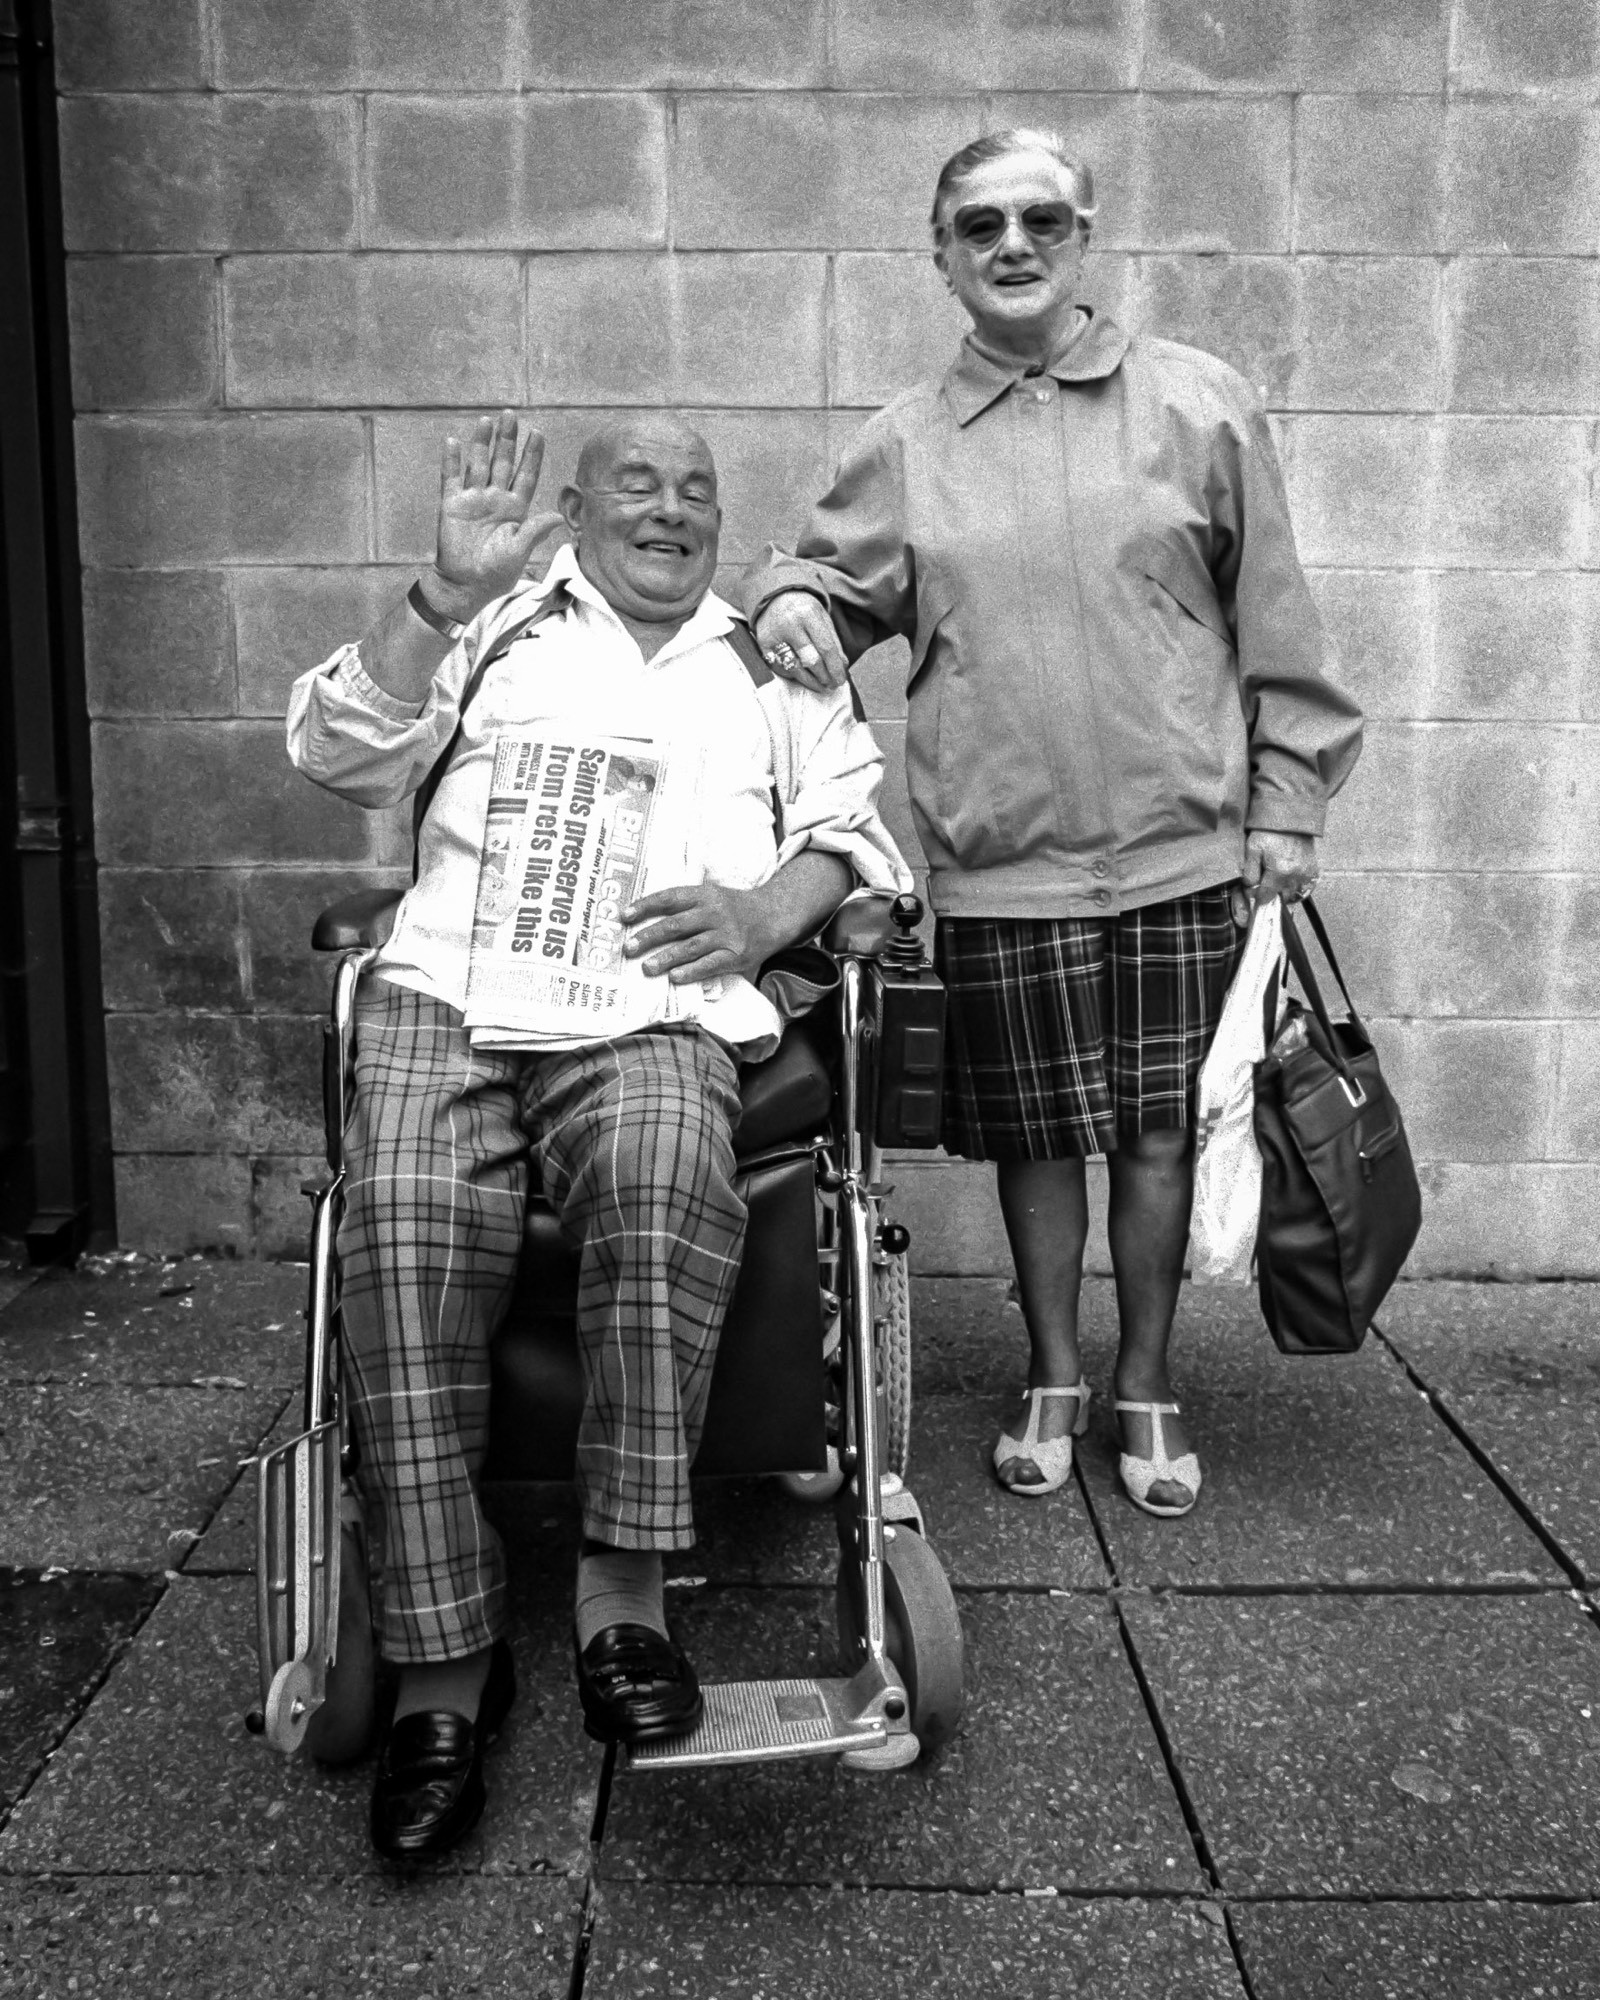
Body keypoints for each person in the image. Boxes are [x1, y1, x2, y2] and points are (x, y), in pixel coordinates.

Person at [286, 408, 907, 1859]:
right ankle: (446, 1668)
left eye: (698, 488)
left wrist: (763, 916)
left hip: (651, 1003)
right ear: (575, 508)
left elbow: (859, 839)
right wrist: (438, 592)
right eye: (638, 481)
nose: (671, 509)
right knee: (406, 1225)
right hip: (451, 992)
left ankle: (622, 1598)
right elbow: (333, 750)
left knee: (661, 1176)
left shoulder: (771, 653)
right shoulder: (494, 623)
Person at [746, 130, 1362, 1520]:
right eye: (979, 225)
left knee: (1156, 1134)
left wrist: (1291, 801)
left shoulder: (1197, 405)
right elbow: (826, 588)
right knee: (1038, 1138)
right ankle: (1052, 1377)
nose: (1011, 244)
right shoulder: (906, 438)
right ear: (942, 255)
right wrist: (789, 591)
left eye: (1039, 218)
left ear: (1085, 233)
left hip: (1179, 851)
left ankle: (1146, 1380)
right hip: (1001, 865)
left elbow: (1281, 621)